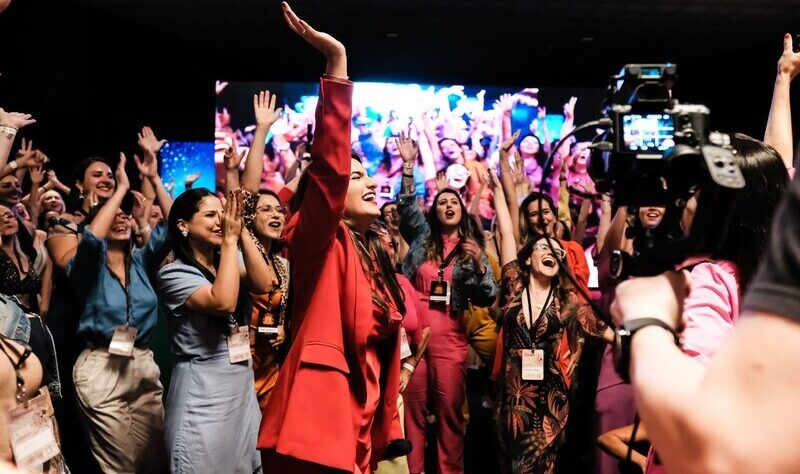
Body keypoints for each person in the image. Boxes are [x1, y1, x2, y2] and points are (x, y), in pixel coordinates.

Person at [257, 4, 407, 472]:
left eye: (366, 176)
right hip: (316, 427)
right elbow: (328, 171)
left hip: (361, 423)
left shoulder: (374, 252)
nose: (366, 183)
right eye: (353, 177)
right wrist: (337, 63)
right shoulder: (320, 239)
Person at [487, 169, 613, 473]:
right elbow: (506, 233)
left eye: (558, 252)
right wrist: (499, 192)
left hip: (550, 399)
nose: (552, 252)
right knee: (511, 466)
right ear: (529, 258)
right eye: (544, 248)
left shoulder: (567, 301)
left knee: (542, 466)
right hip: (512, 397)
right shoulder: (514, 284)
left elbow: (607, 331)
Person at [396, 131, 498, 474]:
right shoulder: (423, 240)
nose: (449, 205)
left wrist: (481, 265)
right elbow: (407, 207)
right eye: (442, 202)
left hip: (450, 343)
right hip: (414, 343)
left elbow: (489, 295)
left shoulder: (471, 252)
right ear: (434, 211)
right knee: (413, 418)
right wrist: (408, 166)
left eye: (454, 201)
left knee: (451, 419)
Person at [68, 152, 173, 473]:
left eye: (125, 215)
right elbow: (89, 238)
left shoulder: (142, 260)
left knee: (156, 463)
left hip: (142, 363)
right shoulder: (87, 266)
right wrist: (119, 190)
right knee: (121, 467)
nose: (121, 218)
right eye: (113, 216)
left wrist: (154, 178)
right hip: (102, 368)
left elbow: (175, 226)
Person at [224, 88, 290, 410]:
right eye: (267, 210)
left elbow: (285, 311)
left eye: (279, 211)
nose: (276, 214)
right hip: (234, 362)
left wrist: (282, 328)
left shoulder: (283, 266)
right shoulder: (237, 248)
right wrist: (262, 130)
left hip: (270, 364)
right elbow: (247, 195)